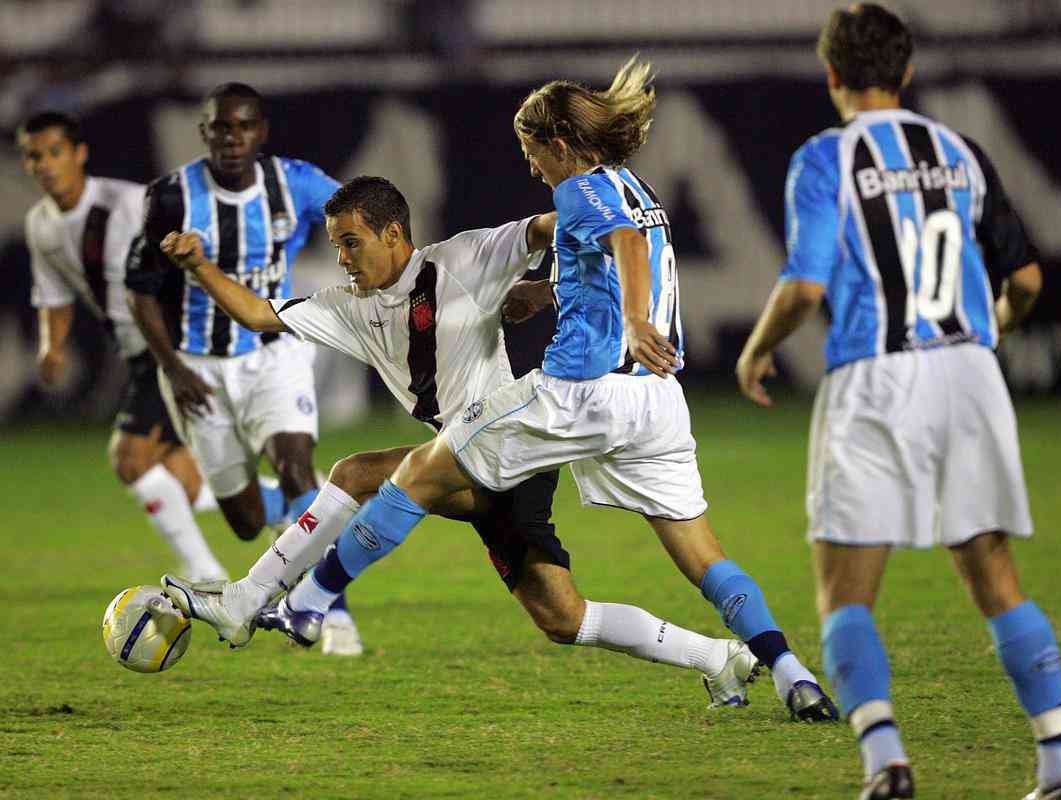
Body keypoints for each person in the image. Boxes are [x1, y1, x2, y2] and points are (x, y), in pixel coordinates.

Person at [263, 60, 837, 722]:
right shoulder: (636, 186)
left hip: (580, 392)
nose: (533, 170)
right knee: (703, 556)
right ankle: (791, 672)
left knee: (419, 470)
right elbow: (614, 240)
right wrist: (546, 292)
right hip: (656, 401)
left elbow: (622, 243)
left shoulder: (579, 189)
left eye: (533, 155)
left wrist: (635, 317)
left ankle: (308, 605)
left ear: (559, 145)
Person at [158, 175, 762, 706]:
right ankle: (719, 657)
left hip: (515, 448)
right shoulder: (345, 306)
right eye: (336, 244)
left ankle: (254, 601)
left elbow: (563, 225)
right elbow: (260, 314)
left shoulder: (466, 256)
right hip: (464, 454)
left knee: (356, 473)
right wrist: (200, 268)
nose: (341, 258)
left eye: (351, 242)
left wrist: (555, 286)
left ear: (394, 234)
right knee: (563, 617)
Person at [735, 5, 1061, 799]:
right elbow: (1024, 279)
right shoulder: (958, 150)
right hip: (968, 373)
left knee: (845, 589)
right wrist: (993, 327)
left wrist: (758, 350)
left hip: (875, 376)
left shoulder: (825, 157)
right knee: (992, 567)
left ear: (830, 75)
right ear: (907, 72)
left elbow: (806, 284)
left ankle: (886, 762)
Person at [124, 82, 360, 655]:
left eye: (244, 127)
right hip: (199, 368)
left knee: (299, 464)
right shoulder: (172, 198)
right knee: (246, 522)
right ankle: (286, 511)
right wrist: (174, 370)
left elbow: (358, 211)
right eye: (221, 129)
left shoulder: (294, 183)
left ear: (261, 132)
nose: (233, 139)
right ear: (204, 133)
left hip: (275, 352)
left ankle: (330, 614)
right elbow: (141, 291)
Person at [18, 110, 227, 583]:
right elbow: (54, 292)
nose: (46, 164)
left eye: (55, 152)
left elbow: (187, 255)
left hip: (171, 345)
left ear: (79, 154)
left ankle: (204, 571)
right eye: (35, 156)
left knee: (129, 457)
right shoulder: (41, 225)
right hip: (135, 353)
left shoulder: (128, 203)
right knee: (187, 482)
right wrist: (53, 346)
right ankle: (309, 501)